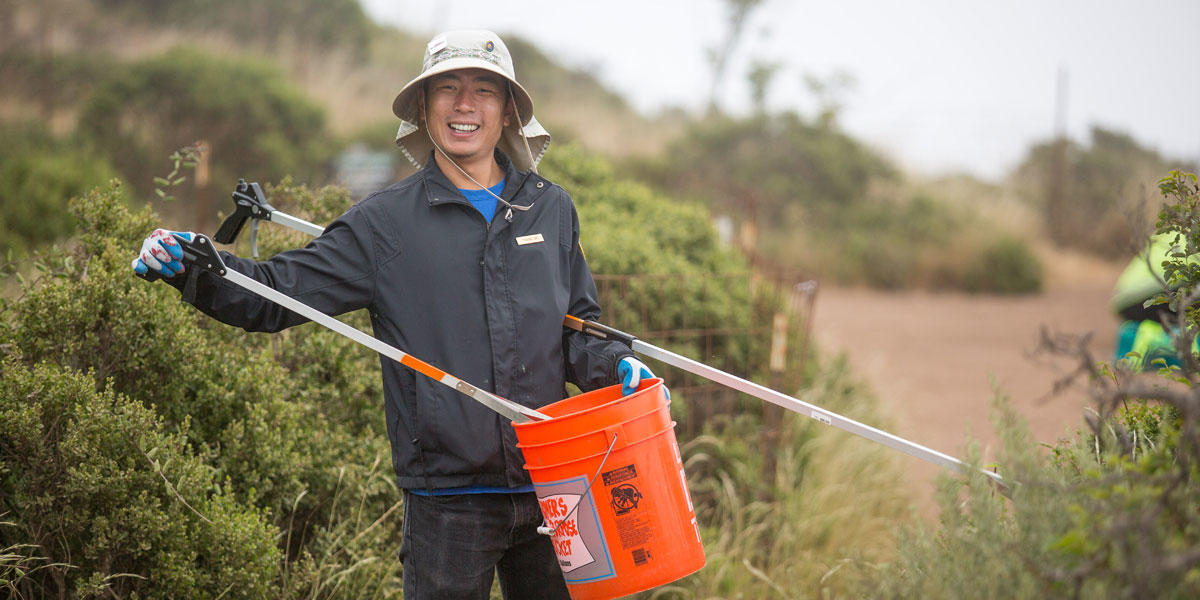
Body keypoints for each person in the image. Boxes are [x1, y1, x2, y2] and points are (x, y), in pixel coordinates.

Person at [132, 29, 657, 599]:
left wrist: (617, 364)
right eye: (447, 88)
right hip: (447, 502)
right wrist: (195, 268)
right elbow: (278, 294)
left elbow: (578, 327)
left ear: (508, 111)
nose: (464, 104)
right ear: (423, 108)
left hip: (556, 485)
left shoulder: (549, 208)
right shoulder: (382, 224)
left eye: (484, 89)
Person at [1110, 232, 1197, 370]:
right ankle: (1161, 343)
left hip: (1124, 298)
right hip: (1158, 293)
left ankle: (1139, 336)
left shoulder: (1179, 225)